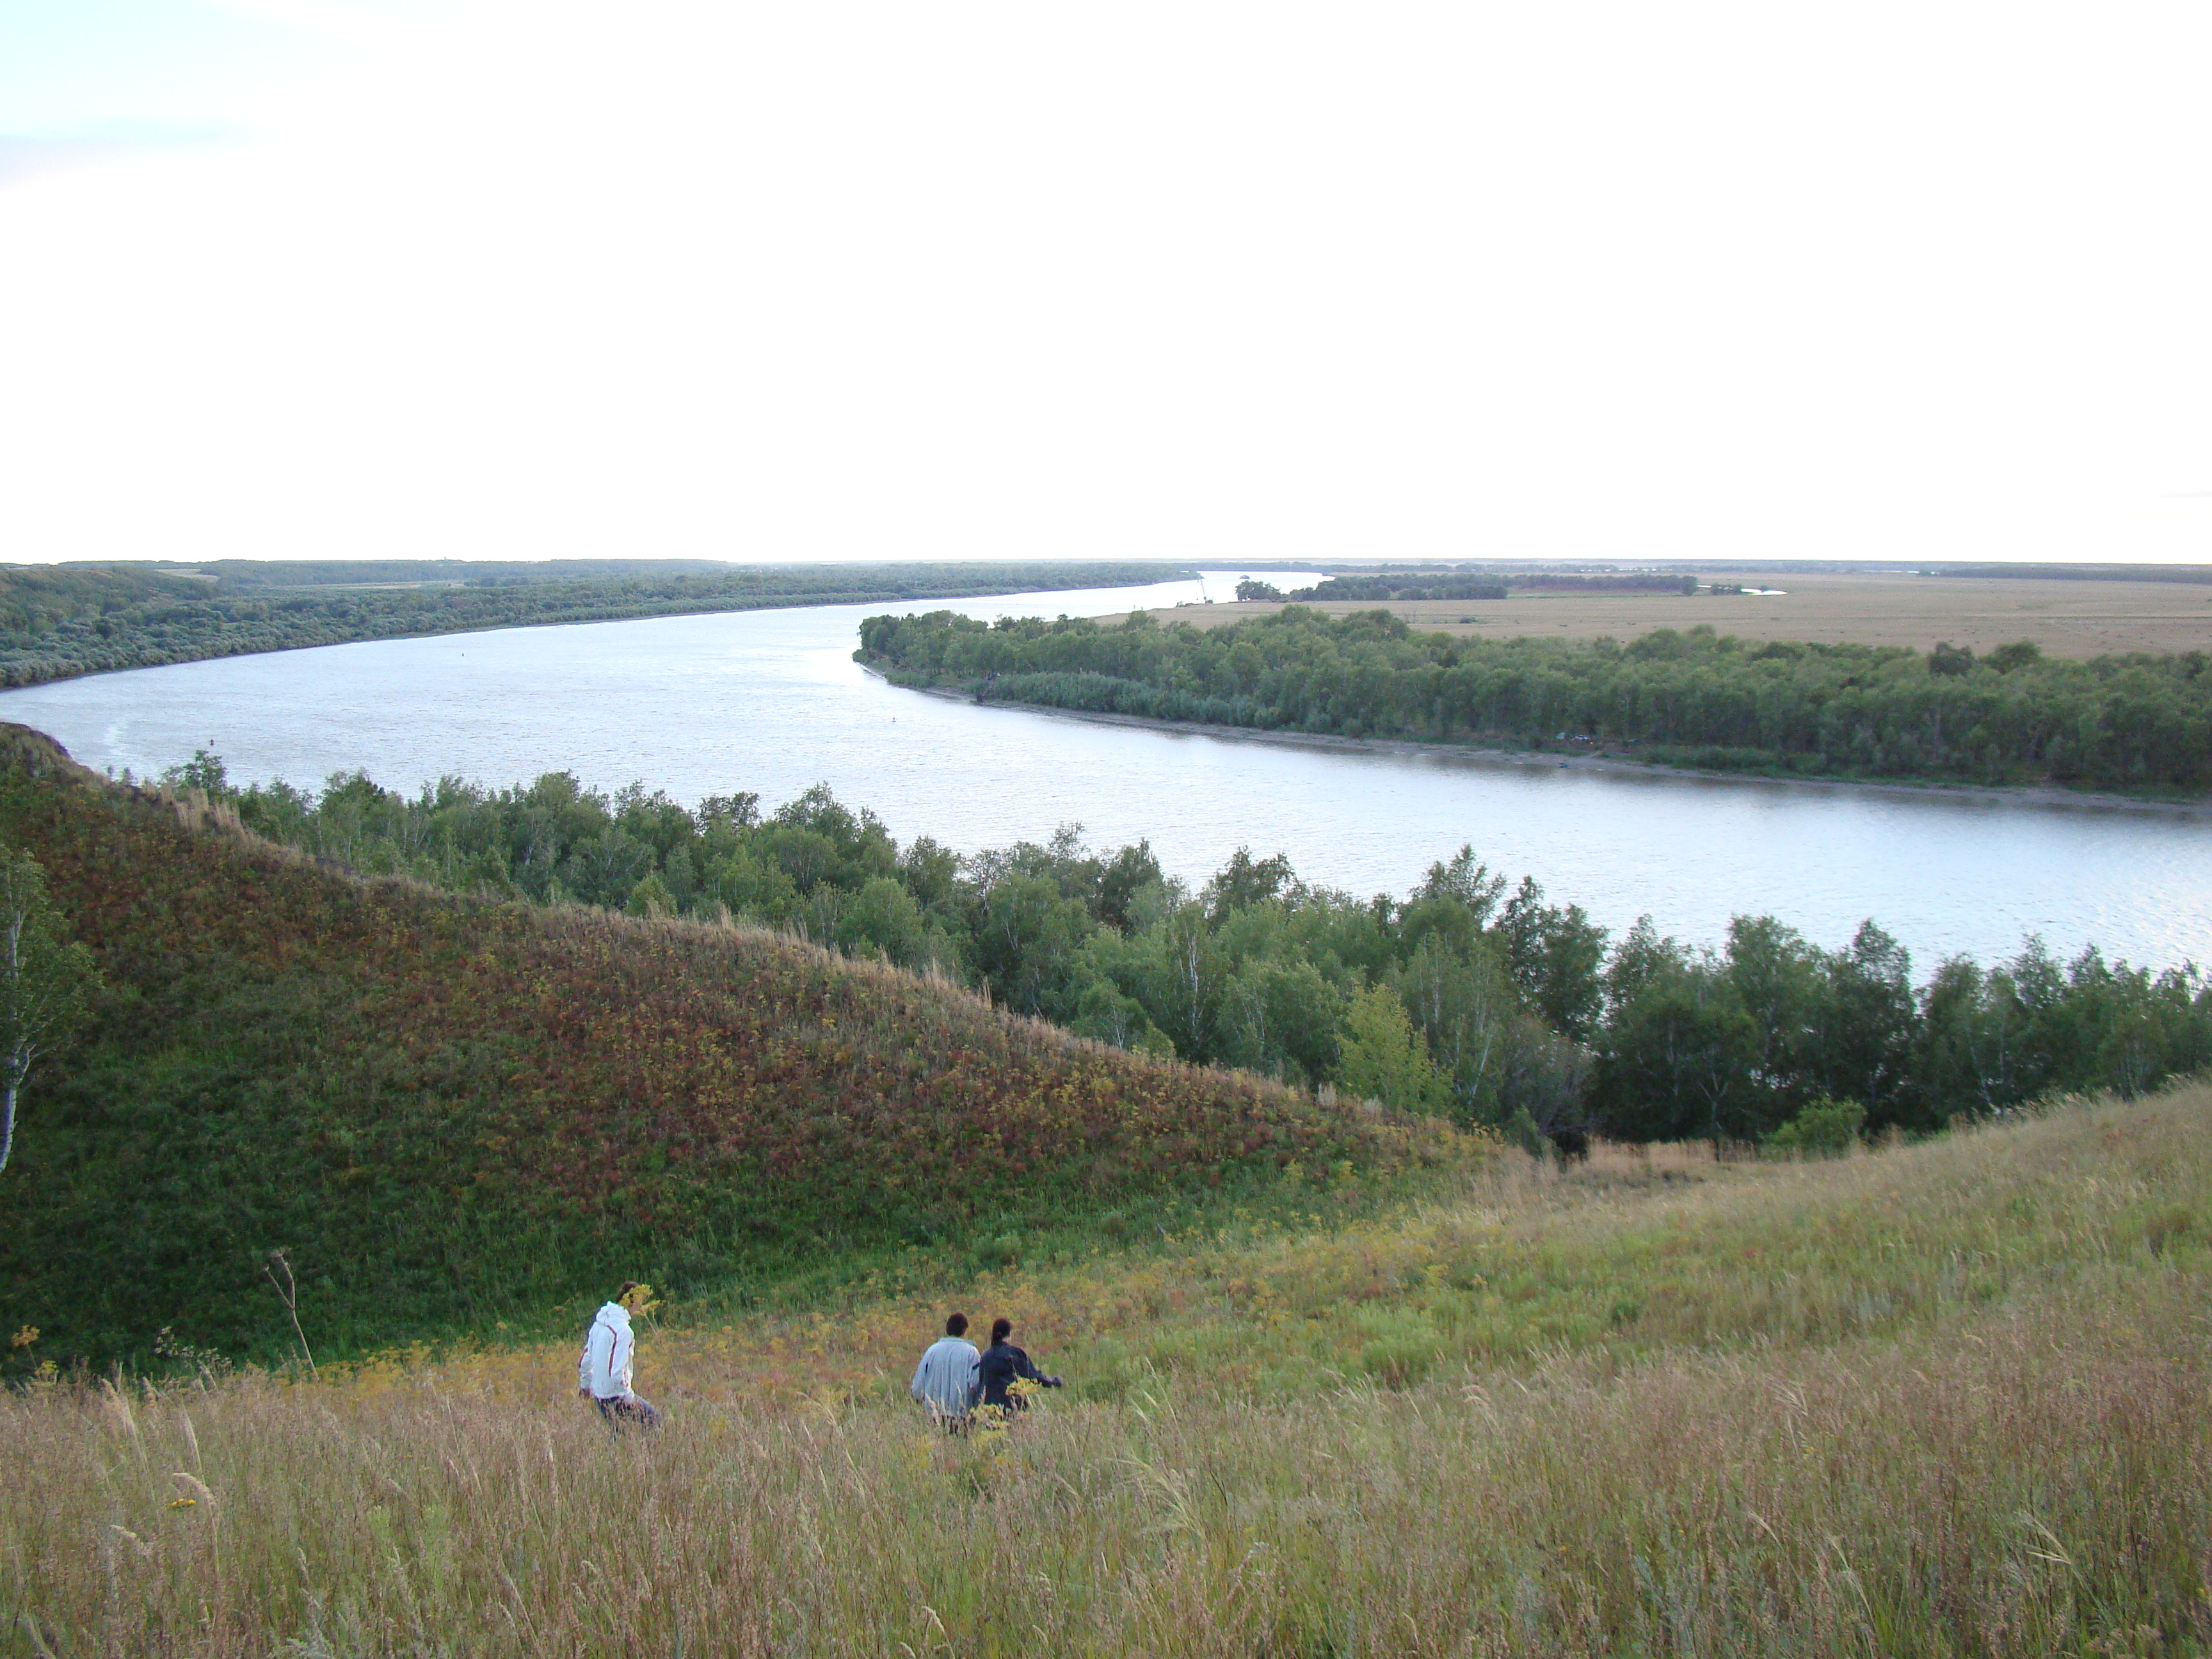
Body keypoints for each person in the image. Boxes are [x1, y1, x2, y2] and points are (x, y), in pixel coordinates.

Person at [577, 1283, 662, 1429]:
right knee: (654, 1421)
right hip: (615, 1396)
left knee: (619, 1435)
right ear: (632, 1301)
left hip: (599, 1396)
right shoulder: (624, 1331)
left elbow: (585, 1362)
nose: (640, 1307)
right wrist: (629, 1397)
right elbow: (617, 1372)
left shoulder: (598, 1325)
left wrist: (585, 1386)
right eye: (640, 1302)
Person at [909, 1312, 981, 1431]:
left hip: (934, 1415)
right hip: (960, 1416)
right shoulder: (972, 1353)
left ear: (947, 1329)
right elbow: (975, 1385)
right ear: (964, 1330)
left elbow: (917, 1387)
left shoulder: (931, 1351)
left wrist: (921, 1401)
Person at [977, 1317, 1062, 1413]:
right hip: (1013, 1407)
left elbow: (981, 1386)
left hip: (991, 1410)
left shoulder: (985, 1357)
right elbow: (1033, 1377)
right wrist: (1053, 1381)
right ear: (1009, 1334)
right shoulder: (1015, 1354)